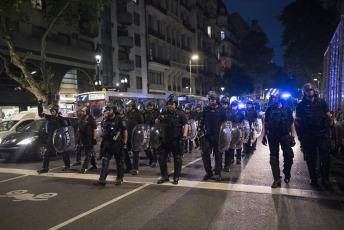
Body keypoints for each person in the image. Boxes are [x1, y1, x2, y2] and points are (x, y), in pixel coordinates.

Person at [295, 83, 333, 188]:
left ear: (314, 91)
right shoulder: (301, 105)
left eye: (311, 90)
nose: (309, 92)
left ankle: (325, 179)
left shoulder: (322, 103)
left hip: (322, 135)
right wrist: (300, 136)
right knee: (311, 159)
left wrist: (331, 129)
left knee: (325, 158)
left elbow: (328, 116)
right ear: (305, 92)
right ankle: (313, 179)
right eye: (307, 90)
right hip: (309, 136)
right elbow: (297, 122)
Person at [262, 92, 295, 188]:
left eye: (275, 97)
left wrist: (292, 137)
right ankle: (276, 179)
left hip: (285, 135)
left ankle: (287, 173)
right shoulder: (269, 109)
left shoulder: (287, 108)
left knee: (288, 155)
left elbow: (292, 123)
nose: (273, 99)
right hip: (272, 136)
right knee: (273, 158)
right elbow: (266, 123)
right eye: (272, 97)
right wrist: (264, 136)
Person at [156, 93, 188, 184]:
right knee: (161, 157)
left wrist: (184, 136)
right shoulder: (164, 112)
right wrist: (159, 117)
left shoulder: (180, 113)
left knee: (177, 158)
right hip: (165, 139)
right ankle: (164, 176)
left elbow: (186, 124)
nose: (170, 105)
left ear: (175, 104)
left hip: (176, 139)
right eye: (169, 103)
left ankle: (176, 176)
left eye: (172, 104)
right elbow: (156, 123)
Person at [93, 102, 128, 186]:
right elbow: (103, 131)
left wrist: (125, 143)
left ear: (113, 110)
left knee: (119, 161)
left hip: (117, 143)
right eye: (107, 110)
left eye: (110, 109)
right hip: (108, 143)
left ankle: (119, 178)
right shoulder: (105, 119)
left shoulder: (120, 119)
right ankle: (102, 180)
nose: (108, 111)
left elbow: (125, 131)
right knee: (104, 161)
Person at [198, 91, 227, 181]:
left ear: (216, 100)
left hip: (219, 135)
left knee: (218, 154)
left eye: (214, 99)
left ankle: (218, 173)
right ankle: (209, 172)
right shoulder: (206, 110)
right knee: (205, 153)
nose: (212, 101)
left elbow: (226, 123)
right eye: (211, 99)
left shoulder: (222, 110)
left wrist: (225, 135)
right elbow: (201, 121)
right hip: (208, 135)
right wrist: (199, 130)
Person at [37, 102, 67, 173]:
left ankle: (67, 165)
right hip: (51, 138)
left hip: (59, 138)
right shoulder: (50, 118)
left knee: (63, 152)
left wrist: (63, 136)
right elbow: (41, 114)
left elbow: (65, 129)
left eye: (53, 111)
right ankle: (45, 168)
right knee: (47, 152)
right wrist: (39, 105)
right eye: (51, 111)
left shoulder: (61, 119)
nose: (51, 112)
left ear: (56, 111)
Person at [124, 99, 144, 175]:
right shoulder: (127, 114)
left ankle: (135, 168)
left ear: (132, 106)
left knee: (135, 152)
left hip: (136, 136)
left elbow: (142, 125)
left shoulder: (138, 114)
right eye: (126, 107)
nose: (127, 108)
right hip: (128, 136)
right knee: (125, 151)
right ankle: (128, 166)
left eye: (128, 106)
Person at [225, 100, 245, 167]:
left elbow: (243, 122)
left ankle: (238, 158)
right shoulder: (229, 113)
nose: (234, 107)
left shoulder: (241, 113)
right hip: (232, 130)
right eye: (233, 106)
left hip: (239, 130)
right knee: (232, 144)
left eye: (235, 106)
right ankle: (231, 158)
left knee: (239, 144)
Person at [78, 106, 98, 173]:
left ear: (87, 112)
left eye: (84, 111)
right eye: (82, 111)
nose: (82, 112)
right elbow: (79, 129)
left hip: (89, 137)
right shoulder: (81, 119)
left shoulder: (91, 119)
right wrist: (79, 138)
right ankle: (94, 165)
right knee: (88, 151)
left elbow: (94, 129)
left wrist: (94, 138)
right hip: (83, 138)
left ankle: (84, 167)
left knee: (88, 152)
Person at [143, 100, 160, 168]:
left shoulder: (157, 113)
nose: (150, 107)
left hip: (154, 131)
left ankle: (154, 161)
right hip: (147, 130)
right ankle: (151, 159)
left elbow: (159, 121)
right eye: (149, 106)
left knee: (154, 147)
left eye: (151, 106)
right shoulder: (146, 113)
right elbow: (143, 121)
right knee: (146, 146)